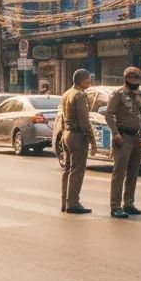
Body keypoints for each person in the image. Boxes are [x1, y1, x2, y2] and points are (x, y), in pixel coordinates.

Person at [104, 66, 141, 219]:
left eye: (137, 79)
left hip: (136, 137)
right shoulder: (118, 94)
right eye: (132, 79)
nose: (135, 82)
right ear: (126, 79)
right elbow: (109, 115)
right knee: (119, 173)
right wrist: (115, 133)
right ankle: (115, 206)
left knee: (133, 173)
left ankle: (129, 203)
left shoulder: (139, 94)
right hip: (123, 137)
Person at [59, 68, 97, 214]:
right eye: (88, 79)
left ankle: (65, 201)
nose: (89, 81)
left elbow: (63, 117)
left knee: (67, 170)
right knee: (77, 171)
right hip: (77, 136)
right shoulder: (80, 95)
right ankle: (73, 203)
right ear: (82, 80)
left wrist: (63, 134)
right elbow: (84, 121)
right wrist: (92, 141)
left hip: (67, 134)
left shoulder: (66, 94)